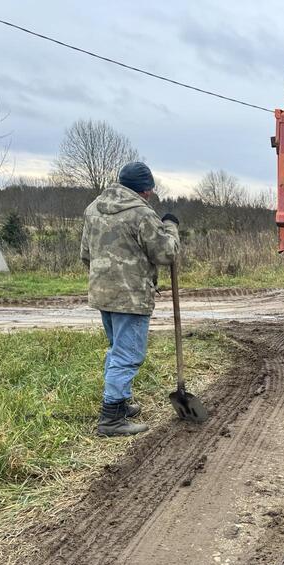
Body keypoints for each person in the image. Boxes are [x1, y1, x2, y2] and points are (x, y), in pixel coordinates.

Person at [80, 161, 180, 437]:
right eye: (150, 189)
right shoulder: (141, 214)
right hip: (131, 297)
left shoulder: (93, 208)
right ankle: (111, 418)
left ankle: (121, 402)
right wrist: (171, 226)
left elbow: (86, 254)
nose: (150, 194)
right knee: (128, 355)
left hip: (102, 293)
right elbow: (166, 253)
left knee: (117, 350)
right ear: (145, 190)